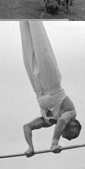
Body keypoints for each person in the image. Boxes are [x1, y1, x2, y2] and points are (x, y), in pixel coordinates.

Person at [20, 21, 81, 156]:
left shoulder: (48, 122)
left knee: (26, 40)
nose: (67, 138)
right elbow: (61, 121)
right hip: (51, 82)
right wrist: (54, 142)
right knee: (39, 38)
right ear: (74, 124)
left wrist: (30, 147)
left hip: (37, 88)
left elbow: (27, 127)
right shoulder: (71, 113)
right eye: (70, 135)